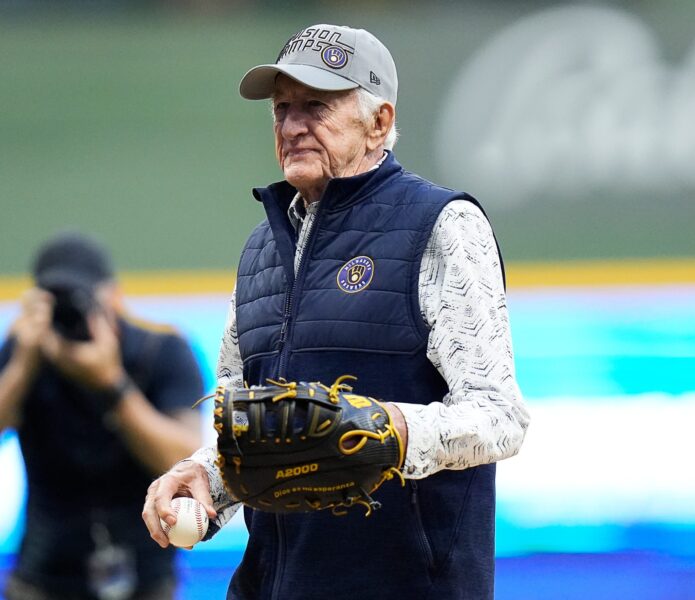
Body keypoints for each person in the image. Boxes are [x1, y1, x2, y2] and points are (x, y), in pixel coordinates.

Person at [142, 24, 530, 599]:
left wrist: (393, 430)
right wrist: (209, 478)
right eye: (282, 109)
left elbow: (500, 418)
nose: (293, 126)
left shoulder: (443, 226)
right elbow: (254, 433)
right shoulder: (260, 251)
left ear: (379, 122)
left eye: (316, 106)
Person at [0, 231, 205, 600]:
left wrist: (112, 385)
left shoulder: (162, 352)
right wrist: (22, 363)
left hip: (147, 578)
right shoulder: (24, 354)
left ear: (113, 295)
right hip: (42, 577)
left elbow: (187, 459)